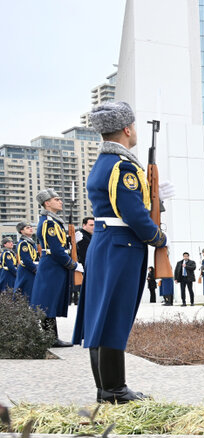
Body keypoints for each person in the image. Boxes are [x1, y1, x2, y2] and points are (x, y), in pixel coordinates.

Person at [75, 101, 172, 403]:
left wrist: (156, 200)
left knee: (101, 315)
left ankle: (107, 388)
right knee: (114, 316)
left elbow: (123, 204)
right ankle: (114, 389)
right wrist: (157, 236)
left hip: (107, 244)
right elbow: (131, 212)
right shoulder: (123, 166)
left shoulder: (104, 163)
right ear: (128, 129)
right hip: (121, 245)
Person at [30, 188, 81, 348]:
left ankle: (51, 337)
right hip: (52, 265)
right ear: (47, 203)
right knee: (48, 301)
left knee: (50, 301)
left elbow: (60, 244)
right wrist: (73, 265)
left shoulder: (54, 221)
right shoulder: (48, 223)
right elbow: (56, 249)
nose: (60, 201)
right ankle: (51, 338)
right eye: (56, 199)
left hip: (54, 266)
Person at [14, 222, 38, 300]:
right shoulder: (24, 243)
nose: (31, 229)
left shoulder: (30, 242)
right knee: (26, 293)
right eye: (27, 228)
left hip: (31, 270)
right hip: (27, 271)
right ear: (22, 231)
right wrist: (36, 269)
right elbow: (26, 260)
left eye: (31, 227)